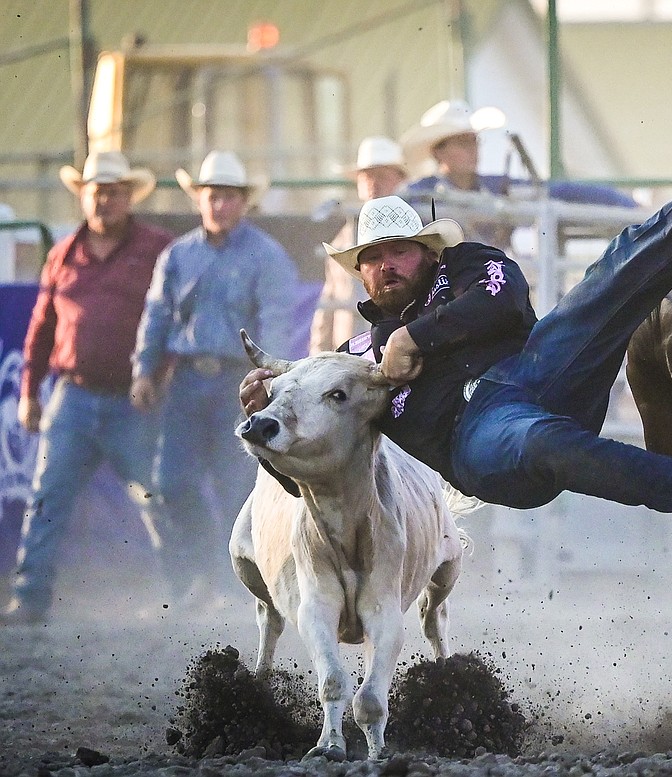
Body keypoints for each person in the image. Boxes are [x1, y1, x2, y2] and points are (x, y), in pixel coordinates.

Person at [241, 57, 672, 525]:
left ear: (427, 251)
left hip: (537, 367)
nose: (387, 266)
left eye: (399, 251)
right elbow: (313, 468)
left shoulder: (470, 264)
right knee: (541, 440)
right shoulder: (351, 361)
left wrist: (416, 336)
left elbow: (503, 297)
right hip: (473, 441)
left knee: (622, 264)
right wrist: (266, 428)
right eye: (373, 259)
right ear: (360, 272)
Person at [2, 151, 172, 625]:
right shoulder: (62, 252)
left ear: (128, 196)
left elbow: (176, 318)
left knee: (155, 496)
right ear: (83, 196)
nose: (105, 199)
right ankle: (30, 597)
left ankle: (179, 595)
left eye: (114, 191)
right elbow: (41, 327)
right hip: (71, 395)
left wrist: (159, 376)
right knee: (48, 496)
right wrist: (30, 392)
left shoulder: (157, 249)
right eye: (97, 191)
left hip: (132, 398)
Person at [131, 150, 297, 599]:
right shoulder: (177, 255)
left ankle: (235, 583)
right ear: (199, 199)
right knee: (170, 482)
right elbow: (157, 316)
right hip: (185, 379)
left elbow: (277, 321)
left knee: (235, 486)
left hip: (237, 385)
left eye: (227, 197)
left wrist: (269, 383)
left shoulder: (266, 256)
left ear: (242, 202)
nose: (218, 205)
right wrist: (144, 371)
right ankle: (210, 570)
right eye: (211, 196)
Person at [400, 99, 639, 245]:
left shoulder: (497, 187)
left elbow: (559, 192)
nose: (473, 151)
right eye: (463, 143)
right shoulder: (418, 195)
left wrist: (628, 207)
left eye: (474, 142)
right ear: (438, 152)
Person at [312, 136, 410, 353]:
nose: (374, 183)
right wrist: (316, 357)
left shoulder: (414, 235)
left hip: (397, 352)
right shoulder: (342, 240)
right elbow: (328, 305)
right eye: (366, 176)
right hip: (351, 353)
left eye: (382, 175)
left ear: (400, 180)